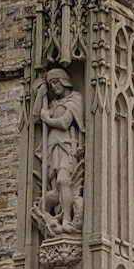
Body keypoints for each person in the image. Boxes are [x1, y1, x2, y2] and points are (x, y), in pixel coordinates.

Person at [35, 68, 85, 233]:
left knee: (64, 180)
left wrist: (47, 118)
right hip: (52, 147)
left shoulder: (75, 99)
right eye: (51, 84)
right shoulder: (53, 103)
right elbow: (36, 117)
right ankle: (51, 216)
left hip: (67, 146)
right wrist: (41, 95)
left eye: (56, 82)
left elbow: (64, 123)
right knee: (55, 186)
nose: (54, 87)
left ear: (64, 80)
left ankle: (67, 219)